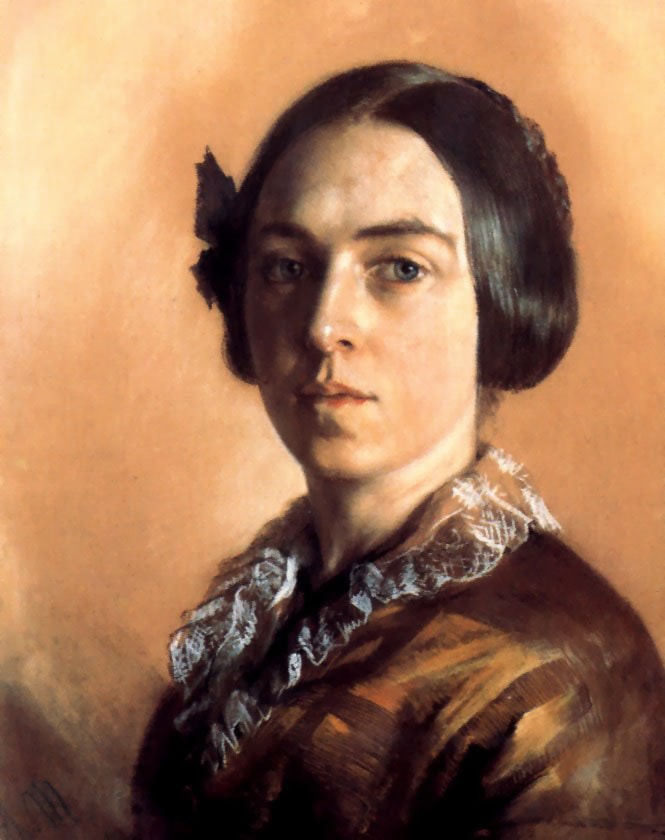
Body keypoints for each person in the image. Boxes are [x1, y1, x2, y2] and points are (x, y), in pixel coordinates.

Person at [132, 62, 665, 838]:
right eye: (287, 267)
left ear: (500, 299)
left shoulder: (562, 671)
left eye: (400, 269)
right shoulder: (246, 628)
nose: (323, 324)